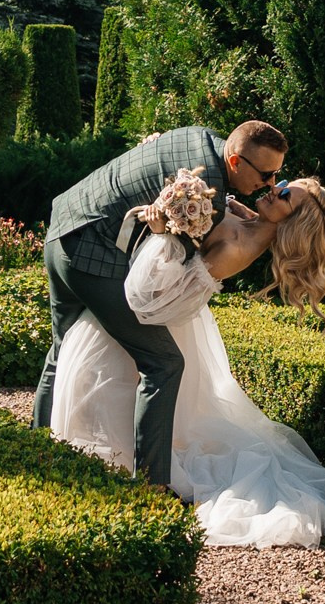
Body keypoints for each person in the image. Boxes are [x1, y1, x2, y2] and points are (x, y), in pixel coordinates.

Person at [46, 174, 325, 548]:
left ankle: (138, 473)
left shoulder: (238, 248)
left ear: (291, 221)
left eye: (282, 196)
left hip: (164, 319)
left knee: (107, 382)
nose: (271, 190)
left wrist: (162, 232)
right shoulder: (252, 220)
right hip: (170, 319)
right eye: (279, 185)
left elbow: (167, 297)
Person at [37, 120, 288, 487]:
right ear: (235, 162)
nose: (268, 184)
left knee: (61, 353)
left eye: (277, 177)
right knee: (165, 364)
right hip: (90, 258)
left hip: (62, 226)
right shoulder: (205, 197)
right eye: (266, 175)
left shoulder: (198, 135)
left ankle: (35, 448)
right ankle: (152, 483)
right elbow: (163, 273)